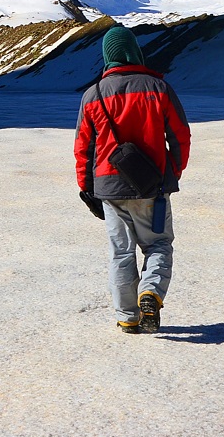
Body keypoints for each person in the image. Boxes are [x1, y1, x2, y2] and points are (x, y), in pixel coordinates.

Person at [74, 26, 191, 334]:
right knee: (159, 244)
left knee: (121, 252)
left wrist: (86, 188)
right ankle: (150, 292)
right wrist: (172, 172)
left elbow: (83, 148)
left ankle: (128, 316)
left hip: (110, 188)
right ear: (134, 52)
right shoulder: (158, 88)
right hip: (153, 186)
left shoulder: (92, 95)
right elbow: (180, 136)